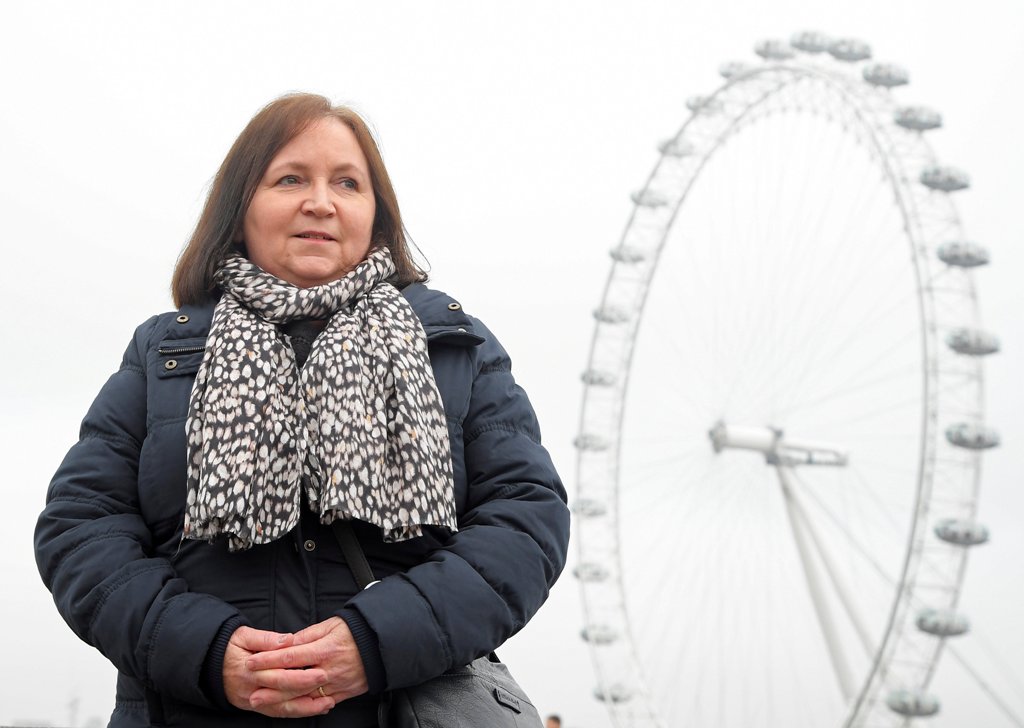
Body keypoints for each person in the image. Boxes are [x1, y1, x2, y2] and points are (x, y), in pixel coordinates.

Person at [35, 93, 569, 728]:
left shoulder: (455, 346)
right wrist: (205, 649)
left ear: (376, 215)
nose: (321, 201)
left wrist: (376, 642)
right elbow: (79, 526)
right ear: (239, 210)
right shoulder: (163, 351)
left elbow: (526, 518)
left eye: (347, 182)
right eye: (291, 179)